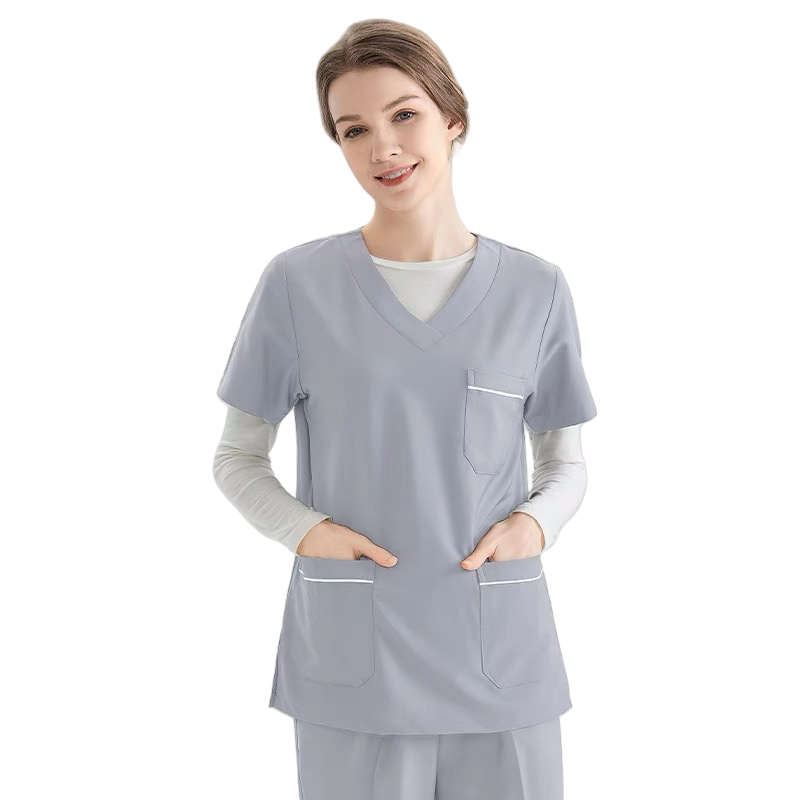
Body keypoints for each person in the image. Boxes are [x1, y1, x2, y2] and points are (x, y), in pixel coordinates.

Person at [212, 18, 597, 800]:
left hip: (499, 649)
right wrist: (306, 532)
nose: (382, 147)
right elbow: (237, 457)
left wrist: (534, 526)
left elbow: (565, 461)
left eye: (404, 114)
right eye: (354, 129)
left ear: (452, 117)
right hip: (358, 655)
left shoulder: (536, 289)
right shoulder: (297, 286)